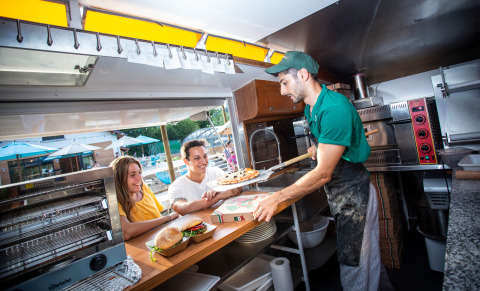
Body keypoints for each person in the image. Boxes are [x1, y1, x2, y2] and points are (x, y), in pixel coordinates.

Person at [254, 51, 392, 290]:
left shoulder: (335, 108)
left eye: (284, 82)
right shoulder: (310, 109)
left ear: (304, 75)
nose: (283, 91)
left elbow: (323, 173)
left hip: (354, 194)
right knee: (367, 260)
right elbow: (328, 141)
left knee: (354, 265)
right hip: (340, 193)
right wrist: (319, 146)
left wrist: (277, 197)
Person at [111, 156, 179, 241]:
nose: (139, 178)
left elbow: (157, 216)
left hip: (162, 238)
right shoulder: (115, 201)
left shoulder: (144, 187)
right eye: (132, 175)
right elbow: (127, 232)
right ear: (119, 179)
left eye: (139, 172)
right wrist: (167, 218)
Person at [169, 139, 241, 216]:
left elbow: (238, 188)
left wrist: (221, 190)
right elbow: (181, 209)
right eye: (197, 158)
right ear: (186, 161)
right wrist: (218, 197)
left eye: (205, 156)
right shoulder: (176, 186)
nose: (203, 161)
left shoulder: (216, 172)